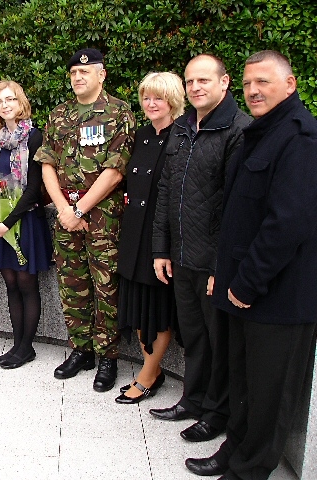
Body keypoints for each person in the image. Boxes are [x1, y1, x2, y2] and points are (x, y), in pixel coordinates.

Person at [185, 50, 317, 479]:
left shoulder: (300, 138)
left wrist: (246, 284)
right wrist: (227, 279)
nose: (253, 91)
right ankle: (233, 451)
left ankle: (249, 469)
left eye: (263, 81)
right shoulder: (262, 133)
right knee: (241, 382)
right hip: (240, 287)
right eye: (247, 84)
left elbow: (288, 224)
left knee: (267, 394)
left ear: (290, 84)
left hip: (275, 295)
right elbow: (239, 214)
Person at [150, 54, 251, 441]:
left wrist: (219, 269)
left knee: (218, 341)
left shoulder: (238, 131)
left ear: (224, 83)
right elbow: (165, 191)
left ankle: (216, 412)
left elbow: (236, 208)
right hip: (180, 258)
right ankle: (192, 400)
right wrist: (161, 249)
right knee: (193, 335)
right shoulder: (181, 128)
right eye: (190, 81)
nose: (196, 87)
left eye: (204, 80)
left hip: (212, 264)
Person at [34, 48, 136, 392]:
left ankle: (108, 357)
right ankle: (81, 349)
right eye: (74, 74)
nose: (78, 78)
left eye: (86, 72)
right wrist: (64, 209)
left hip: (103, 218)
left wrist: (79, 211)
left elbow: (115, 170)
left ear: (101, 74)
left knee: (106, 287)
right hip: (65, 215)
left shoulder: (118, 112)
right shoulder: (59, 114)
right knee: (72, 284)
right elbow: (47, 163)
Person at [115, 72, 185, 404]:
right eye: (146, 97)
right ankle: (151, 369)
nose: (151, 103)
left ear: (172, 99)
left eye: (158, 97)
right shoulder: (141, 135)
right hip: (134, 234)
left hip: (162, 238)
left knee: (157, 308)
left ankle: (146, 375)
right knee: (138, 306)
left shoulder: (183, 135)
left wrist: (167, 245)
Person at [0, 80, 53, 369]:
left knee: (26, 283)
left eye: (10, 99)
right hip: (2, 223)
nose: (5, 105)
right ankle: (16, 345)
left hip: (25, 221)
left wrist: (7, 222)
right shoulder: (0, 139)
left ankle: (27, 348)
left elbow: (34, 188)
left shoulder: (34, 137)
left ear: (21, 102)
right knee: (10, 283)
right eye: (0, 101)